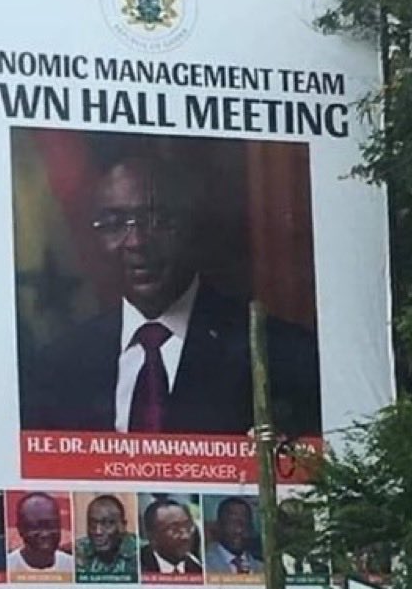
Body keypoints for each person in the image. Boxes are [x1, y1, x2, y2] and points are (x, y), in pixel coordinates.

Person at [22, 150, 321, 436]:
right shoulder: (59, 366)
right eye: (114, 224)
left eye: (159, 221)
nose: (137, 241)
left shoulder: (279, 354)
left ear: (192, 226)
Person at [74, 494, 139, 579]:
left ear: (123, 526)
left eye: (107, 524)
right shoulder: (77, 551)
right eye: (92, 524)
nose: (98, 532)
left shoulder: (143, 553)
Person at [8, 492, 75, 573]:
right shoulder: (8, 566)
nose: (45, 534)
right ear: (20, 529)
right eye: (35, 527)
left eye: (51, 525)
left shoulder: (72, 566)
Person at [139, 498, 203, 575]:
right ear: (152, 537)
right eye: (174, 529)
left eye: (188, 526)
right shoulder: (138, 567)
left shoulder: (197, 569)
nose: (185, 536)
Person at [205, 498, 263, 576]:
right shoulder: (204, 564)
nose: (239, 530)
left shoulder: (262, 569)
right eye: (232, 521)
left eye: (244, 523)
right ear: (219, 525)